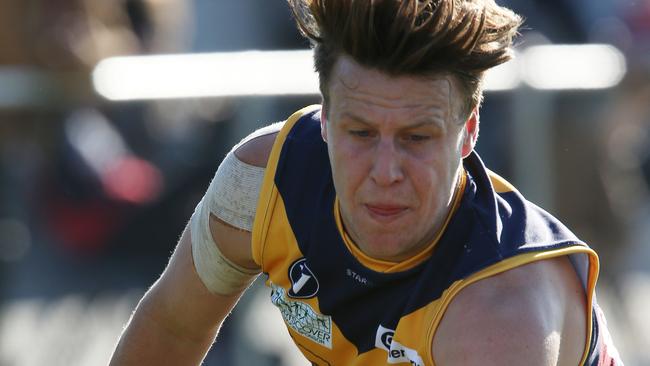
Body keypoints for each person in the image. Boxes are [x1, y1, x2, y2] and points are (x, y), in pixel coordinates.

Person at [109, 0, 623, 365]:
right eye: (360, 133)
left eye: (417, 138)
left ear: (468, 133)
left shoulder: (501, 320)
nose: (384, 171)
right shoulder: (263, 185)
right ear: (325, 120)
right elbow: (172, 328)